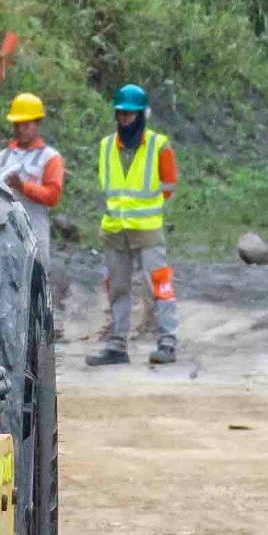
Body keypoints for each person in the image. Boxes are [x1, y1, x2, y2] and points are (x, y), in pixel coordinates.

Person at [92, 83, 178, 366]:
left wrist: (144, 208)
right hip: (115, 229)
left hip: (147, 229)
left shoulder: (159, 145)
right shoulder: (106, 146)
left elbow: (169, 185)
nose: (124, 119)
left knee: (159, 285)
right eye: (121, 113)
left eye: (129, 114)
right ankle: (117, 345)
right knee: (117, 287)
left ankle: (167, 342)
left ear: (142, 115)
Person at [0, 93, 65, 224]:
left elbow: (53, 196)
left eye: (26, 125)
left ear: (37, 123)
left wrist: (23, 187)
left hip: (35, 231)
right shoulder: (2, 156)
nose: (21, 129)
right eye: (17, 125)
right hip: (3, 229)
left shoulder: (50, 158)